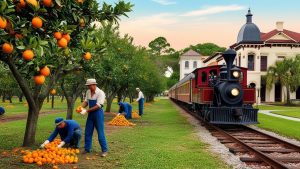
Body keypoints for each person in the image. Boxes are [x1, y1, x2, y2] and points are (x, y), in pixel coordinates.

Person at [80, 78, 108, 157]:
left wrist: (87, 110)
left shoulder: (100, 93)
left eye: (90, 85)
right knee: (88, 131)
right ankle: (87, 148)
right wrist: (80, 107)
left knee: (100, 132)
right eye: (88, 86)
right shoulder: (88, 92)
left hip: (98, 114)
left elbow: (99, 106)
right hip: (91, 115)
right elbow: (86, 101)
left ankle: (104, 150)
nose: (89, 87)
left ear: (94, 84)